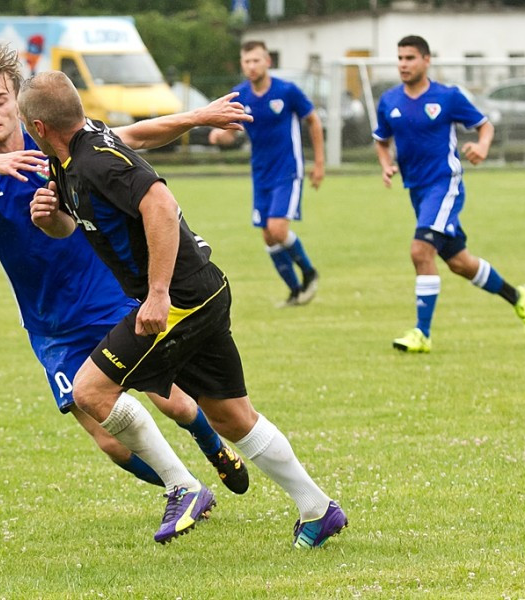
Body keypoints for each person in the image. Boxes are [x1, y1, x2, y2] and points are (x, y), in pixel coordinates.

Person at [20, 70, 346, 547]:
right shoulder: (73, 156)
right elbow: (136, 142)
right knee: (233, 417)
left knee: (90, 390)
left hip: (182, 299)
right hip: (202, 291)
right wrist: (52, 218)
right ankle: (319, 510)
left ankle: (184, 487)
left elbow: (160, 202)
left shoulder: (94, 161)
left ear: (38, 127)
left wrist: (156, 293)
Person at [0, 45, 251, 500]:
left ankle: (213, 450)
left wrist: (195, 118)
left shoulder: (51, 145)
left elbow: (133, 136)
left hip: (106, 297)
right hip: (51, 325)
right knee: (109, 440)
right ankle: (183, 488)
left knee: (174, 400)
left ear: (18, 102)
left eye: (1, 100)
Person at [373, 35, 525, 352]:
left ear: (426, 60)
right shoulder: (389, 101)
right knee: (460, 262)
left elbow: (484, 125)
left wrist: (482, 146)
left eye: (410, 58)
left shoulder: (447, 97)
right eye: (400, 58)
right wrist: (385, 164)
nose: (403, 64)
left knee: (421, 252)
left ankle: (422, 334)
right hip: (417, 190)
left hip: (444, 184)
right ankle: (518, 296)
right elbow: (382, 139)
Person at [209, 40, 324, 307]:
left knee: (277, 228)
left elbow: (313, 120)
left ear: (267, 62)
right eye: (246, 62)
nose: (251, 66)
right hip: (260, 173)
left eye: (256, 61)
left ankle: (309, 273)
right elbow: (230, 134)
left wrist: (319, 163)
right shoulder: (240, 96)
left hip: (287, 169)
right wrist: (217, 135)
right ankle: (296, 292)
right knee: (267, 235)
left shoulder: (287, 91)